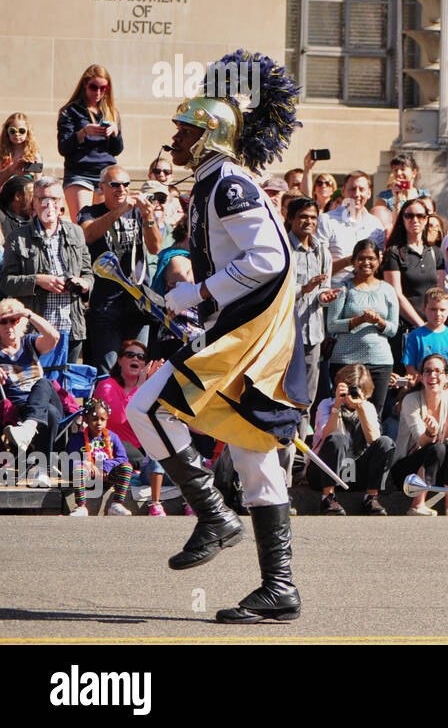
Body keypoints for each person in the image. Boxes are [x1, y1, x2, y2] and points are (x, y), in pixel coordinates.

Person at [124, 51, 310, 624]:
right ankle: (276, 584)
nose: (174, 142)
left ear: (208, 136)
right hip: (237, 337)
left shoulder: (229, 185)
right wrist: (199, 307)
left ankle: (215, 518)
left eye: (183, 132)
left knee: (148, 409)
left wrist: (202, 293)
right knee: (255, 462)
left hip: (250, 345)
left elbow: (270, 258)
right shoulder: (214, 185)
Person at [79, 165, 164, 371]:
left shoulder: (138, 213)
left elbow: (155, 248)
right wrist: (120, 211)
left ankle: (132, 404)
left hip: (137, 302)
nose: (121, 189)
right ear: (102, 187)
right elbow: (87, 235)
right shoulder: (90, 212)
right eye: (115, 185)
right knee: (107, 368)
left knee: (137, 367)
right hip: (105, 302)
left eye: (126, 184)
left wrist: (148, 217)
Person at [0, 178, 93, 363]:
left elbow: (88, 272)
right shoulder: (17, 238)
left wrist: (84, 284)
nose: (48, 205)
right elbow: (6, 282)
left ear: (61, 204)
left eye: (54, 199)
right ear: (33, 203)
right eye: (42, 199)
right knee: (39, 387)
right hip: (36, 333)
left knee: (65, 389)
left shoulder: (76, 232)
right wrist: (37, 280)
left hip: (71, 328)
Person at [326, 239, 400, 419]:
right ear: (353, 261)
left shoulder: (388, 290)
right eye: (361, 258)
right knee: (345, 413)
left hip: (379, 361)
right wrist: (359, 320)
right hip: (346, 360)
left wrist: (379, 322)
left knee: (375, 414)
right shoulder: (343, 288)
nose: (366, 263)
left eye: (371, 258)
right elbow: (332, 324)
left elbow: (393, 329)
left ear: (378, 260)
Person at [94, 338, 168, 515]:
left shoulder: (148, 388)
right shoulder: (107, 385)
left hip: (142, 454)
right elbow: (120, 418)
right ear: (119, 360)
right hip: (115, 450)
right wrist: (141, 386)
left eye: (141, 357)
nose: (136, 359)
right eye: (130, 354)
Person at [393, 352, 448, 516]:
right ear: (420, 377)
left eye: (438, 371)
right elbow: (422, 443)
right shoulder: (411, 400)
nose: (432, 375)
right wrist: (431, 432)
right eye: (427, 371)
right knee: (437, 448)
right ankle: (417, 505)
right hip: (406, 472)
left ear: (447, 377)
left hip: (438, 469)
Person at [310, 365, 393, 515]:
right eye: (350, 389)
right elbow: (326, 437)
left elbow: (374, 440)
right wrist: (337, 406)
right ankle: (327, 497)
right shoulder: (326, 405)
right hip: (324, 471)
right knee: (337, 438)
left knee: (386, 442)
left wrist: (361, 409)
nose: (352, 395)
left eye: (357, 390)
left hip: (354, 471)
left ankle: (371, 497)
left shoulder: (368, 407)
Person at [0, 298, 64, 483]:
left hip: (46, 398)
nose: (9, 325)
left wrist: (27, 313)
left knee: (43, 383)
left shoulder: (29, 343)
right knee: (49, 414)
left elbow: (54, 337)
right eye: (3, 320)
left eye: (14, 320)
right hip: (20, 406)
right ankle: (41, 470)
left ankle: (28, 428)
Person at [286, 196, 337, 412]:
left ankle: (301, 442)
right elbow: (277, 292)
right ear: (290, 218)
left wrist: (324, 296)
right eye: (303, 217)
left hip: (314, 334)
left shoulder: (322, 251)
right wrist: (303, 290)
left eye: (313, 217)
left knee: (307, 398)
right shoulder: (283, 249)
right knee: (285, 394)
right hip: (286, 334)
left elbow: (323, 288)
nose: (309, 222)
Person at [56, 65, 123, 218]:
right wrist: (83, 132)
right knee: (83, 226)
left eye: (103, 88)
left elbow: (117, 150)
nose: (98, 92)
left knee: (104, 227)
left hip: (106, 173)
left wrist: (115, 133)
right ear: (85, 85)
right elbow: (63, 147)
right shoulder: (70, 111)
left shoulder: (111, 113)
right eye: (93, 87)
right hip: (80, 173)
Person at [382, 197, 443, 343]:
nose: (415, 220)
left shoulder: (435, 252)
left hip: (432, 326)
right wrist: (420, 325)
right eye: (409, 216)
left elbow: (440, 292)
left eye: (420, 216)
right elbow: (395, 294)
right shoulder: (394, 253)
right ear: (403, 219)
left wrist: (434, 323)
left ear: (426, 219)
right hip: (405, 328)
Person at [65, 398, 134, 516]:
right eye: (94, 419)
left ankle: (117, 504)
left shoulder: (113, 437)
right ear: (86, 419)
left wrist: (105, 466)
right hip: (87, 478)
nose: (99, 423)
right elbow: (69, 461)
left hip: (107, 477)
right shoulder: (77, 439)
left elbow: (123, 458)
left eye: (103, 419)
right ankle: (81, 506)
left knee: (127, 467)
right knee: (78, 469)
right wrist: (86, 464)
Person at [323, 171, 386, 286]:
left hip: (366, 293)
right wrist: (350, 260)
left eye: (361, 189)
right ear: (343, 192)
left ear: (369, 193)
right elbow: (319, 268)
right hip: (335, 292)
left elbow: (378, 267)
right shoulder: (326, 221)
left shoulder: (376, 225)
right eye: (352, 189)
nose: (357, 194)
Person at [0, 113, 42, 187]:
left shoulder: (34, 155)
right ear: (7, 132)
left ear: (28, 132)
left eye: (21, 131)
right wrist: (10, 170)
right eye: (12, 131)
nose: (17, 134)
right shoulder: (2, 154)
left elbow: (38, 181)